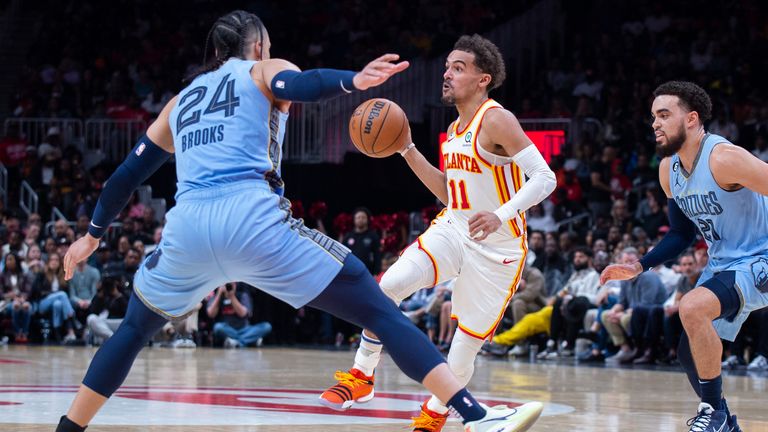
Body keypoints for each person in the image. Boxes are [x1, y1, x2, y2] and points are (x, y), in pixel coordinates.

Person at [56, 11, 541, 432]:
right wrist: (354, 79)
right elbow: (299, 85)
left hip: (186, 231)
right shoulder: (266, 68)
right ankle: (476, 415)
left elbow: (126, 175)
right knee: (376, 309)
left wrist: (91, 237)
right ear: (259, 44)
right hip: (252, 219)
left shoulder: (180, 102)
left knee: (133, 331)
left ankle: (68, 427)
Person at [319, 34, 554, 431]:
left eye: (458, 68)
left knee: (464, 347)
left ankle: (435, 415)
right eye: (447, 66)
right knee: (387, 284)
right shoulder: (453, 129)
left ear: (484, 78)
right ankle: (362, 376)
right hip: (453, 227)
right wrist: (408, 149)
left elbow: (544, 177)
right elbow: (450, 192)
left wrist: (501, 214)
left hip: (498, 248)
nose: (447, 74)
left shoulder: (497, 118)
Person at [599, 81, 768, 432]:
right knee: (688, 352)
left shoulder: (724, 158)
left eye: (664, 115)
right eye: (652, 117)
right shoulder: (668, 171)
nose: (655, 123)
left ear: (691, 119)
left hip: (760, 255)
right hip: (725, 261)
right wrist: (638, 265)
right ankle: (724, 422)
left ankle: (713, 413)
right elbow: (682, 233)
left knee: (692, 307)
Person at [207, 282, 271, 348]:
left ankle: (236, 342)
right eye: (227, 285)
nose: (228, 287)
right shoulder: (217, 296)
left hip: (245, 329)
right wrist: (219, 293)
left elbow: (242, 314)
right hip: (227, 330)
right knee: (217, 327)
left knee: (266, 326)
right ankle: (251, 340)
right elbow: (211, 314)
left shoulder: (242, 295)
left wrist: (232, 296)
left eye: (231, 284)